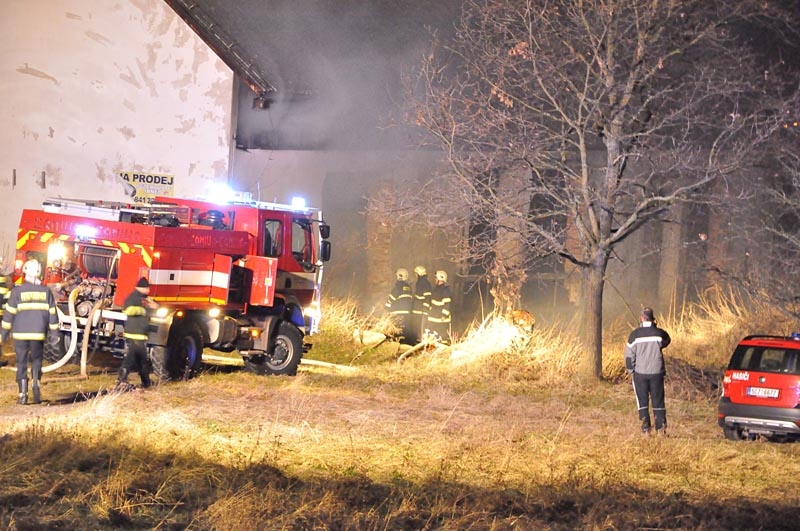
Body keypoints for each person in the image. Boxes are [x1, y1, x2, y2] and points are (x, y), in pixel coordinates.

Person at [1, 259, 58, 405]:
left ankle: (22, 395)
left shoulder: (17, 291)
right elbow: (53, 314)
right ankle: (36, 385)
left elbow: (9, 315)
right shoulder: (46, 292)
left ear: (25, 271)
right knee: (37, 360)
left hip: (20, 335)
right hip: (38, 334)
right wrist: (55, 334)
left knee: (21, 363)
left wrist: (3, 334)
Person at [624, 307, 671, 435]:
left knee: (642, 401)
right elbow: (667, 340)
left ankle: (645, 429)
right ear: (653, 318)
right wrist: (655, 327)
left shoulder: (634, 335)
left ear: (641, 318)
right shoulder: (659, 333)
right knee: (658, 401)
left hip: (640, 373)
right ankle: (660, 429)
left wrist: (631, 370)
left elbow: (629, 356)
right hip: (657, 372)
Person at [116, 277, 157, 390]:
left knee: (142, 359)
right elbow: (128, 310)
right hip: (134, 334)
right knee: (132, 358)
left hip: (140, 334)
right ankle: (122, 379)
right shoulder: (133, 297)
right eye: (147, 288)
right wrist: (146, 310)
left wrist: (154, 306)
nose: (148, 290)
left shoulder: (144, 298)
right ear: (141, 288)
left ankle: (146, 382)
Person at [385, 268, 414, 343]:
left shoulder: (397, 288)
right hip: (407, 313)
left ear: (398, 276)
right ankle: (405, 344)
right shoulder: (409, 288)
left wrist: (386, 308)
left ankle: (396, 344)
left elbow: (391, 299)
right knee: (405, 330)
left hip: (396, 313)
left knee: (396, 330)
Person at [426, 270, 453, 345]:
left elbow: (447, 304)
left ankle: (443, 351)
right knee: (434, 336)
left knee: (442, 337)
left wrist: (444, 315)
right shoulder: (437, 289)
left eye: (436, 278)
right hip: (434, 317)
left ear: (439, 279)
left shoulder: (445, 290)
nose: (435, 279)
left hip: (441, 319)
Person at [409, 265, 431, 345]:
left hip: (421, 311)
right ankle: (417, 342)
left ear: (418, 274)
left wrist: (425, 310)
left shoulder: (424, 284)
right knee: (417, 329)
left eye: (416, 274)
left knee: (420, 329)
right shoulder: (420, 282)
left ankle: (421, 344)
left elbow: (427, 297)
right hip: (418, 310)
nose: (415, 275)